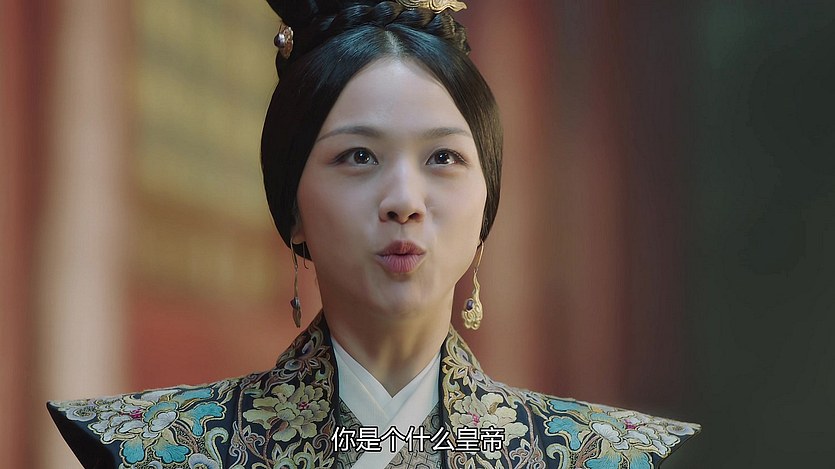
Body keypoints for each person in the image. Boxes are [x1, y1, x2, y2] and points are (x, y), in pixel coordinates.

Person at [47, 1, 700, 468]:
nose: (404, 202)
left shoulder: (598, 454)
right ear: (292, 207)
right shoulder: (157, 448)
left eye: (442, 157)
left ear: (486, 205)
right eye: (358, 156)